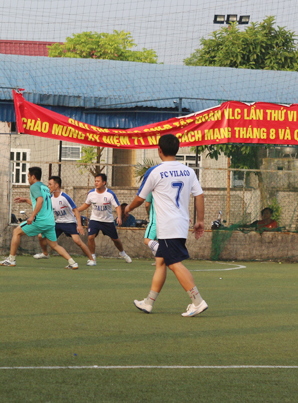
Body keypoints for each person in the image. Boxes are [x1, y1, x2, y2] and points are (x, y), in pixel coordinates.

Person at [125, 133, 208, 317]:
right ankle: (149, 302)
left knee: (174, 263)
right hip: (180, 224)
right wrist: (200, 220)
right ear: (177, 150)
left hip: (168, 226)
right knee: (161, 261)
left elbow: (140, 198)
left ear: (159, 150)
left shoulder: (155, 172)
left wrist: (128, 208)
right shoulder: (188, 171)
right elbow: (199, 195)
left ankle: (197, 301)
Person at [0, 166, 78, 269]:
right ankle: (72, 263)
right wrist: (25, 200)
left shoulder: (34, 186)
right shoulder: (45, 187)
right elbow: (42, 203)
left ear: (33, 177)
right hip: (50, 221)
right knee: (54, 245)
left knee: (16, 232)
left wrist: (32, 216)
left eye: (28, 176)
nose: (28, 179)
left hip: (40, 220)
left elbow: (40, 201)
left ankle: (11, 260)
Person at [33, 175, 95, 265]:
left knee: (77, 241)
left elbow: (76, 210)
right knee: (41, 236)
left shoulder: (65, 197)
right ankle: (45, 253)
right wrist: (26, 200)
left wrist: (79, 225)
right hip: (58, 223)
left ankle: (92, 259)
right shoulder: (50, 198)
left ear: (56, 185)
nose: (48, 186)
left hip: (69, 222)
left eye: (50, 184)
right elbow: (40, 205)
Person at [76, 173, 132, 265]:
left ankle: (122, 253)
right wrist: (76, 210)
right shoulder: (91, 193)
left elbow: (117, 206)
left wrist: (119, 217)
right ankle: (92, 258)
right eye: (95, 181)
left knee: (115, 240)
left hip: (107, 221)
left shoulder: (110, 194)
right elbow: (86, 204)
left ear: (104, 182)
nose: (96, 183)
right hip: (95, 220)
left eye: (98, 181)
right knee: (90, 237)